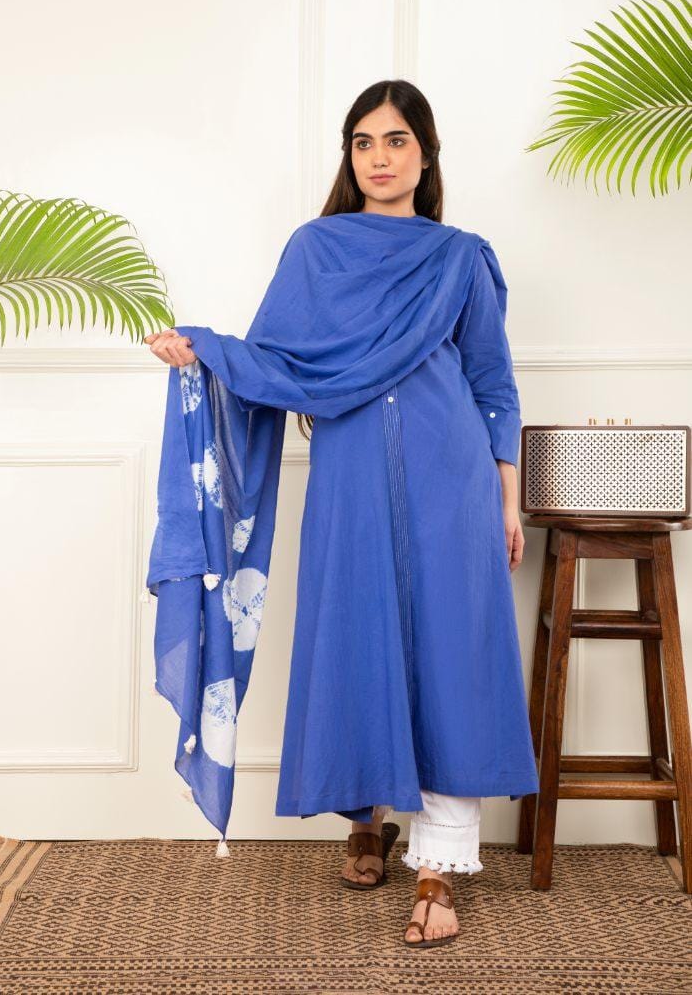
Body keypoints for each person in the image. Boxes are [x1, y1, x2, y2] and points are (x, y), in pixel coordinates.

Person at [144, 78, 538, 950]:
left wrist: (507, 503)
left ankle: (438, 868)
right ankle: (367, 817)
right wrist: (201, 351)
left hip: (450, 477)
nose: (379, 157)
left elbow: (491, 384)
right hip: (349, 479)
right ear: (348, 156)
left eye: (396, 140)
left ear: (425, 155)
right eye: (363, 142)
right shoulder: (314, 249)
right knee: (356, 639)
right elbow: (272, 363)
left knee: (449, 654)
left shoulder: (459, 257)